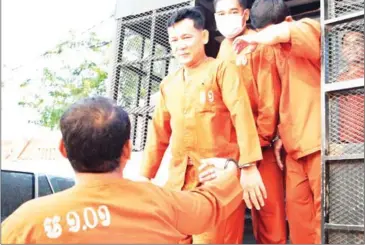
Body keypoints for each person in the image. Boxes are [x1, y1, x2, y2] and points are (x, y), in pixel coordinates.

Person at [1, 96, 246, 244]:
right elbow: (211, 204)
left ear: (63, 149)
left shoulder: (26, 224)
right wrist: (231, 168)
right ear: (127, 150)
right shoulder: (160, 202)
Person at [139, 7, 266, 244]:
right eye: (174, 40)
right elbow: (158, 134)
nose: (180, 45)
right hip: (178, 184)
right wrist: (145, 177)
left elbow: (242, 114)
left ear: (204, 37)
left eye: (187, 37)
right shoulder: (168, 84)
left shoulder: (221, 69)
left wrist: (248, 167)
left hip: (216, 182)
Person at [233, 0, 321, 244]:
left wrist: (260, 37)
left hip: (319, 145)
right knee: (299, 222)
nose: (267, 41)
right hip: (294, 151)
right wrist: (280, 135)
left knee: (324, 220)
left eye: (270, 34)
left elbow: (292, 31)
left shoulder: (309, 31)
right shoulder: (268, 52)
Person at [214, 0, 286, 244]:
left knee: (270, 217)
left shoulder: (259, 43)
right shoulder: (223, 49)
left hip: (260, 147)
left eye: (233, 12)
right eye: (221, 14)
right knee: (227, 218)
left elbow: (269, 100)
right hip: (230, 151)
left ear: (245, 14)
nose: (227, 18)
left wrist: (255, 148)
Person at [337, 31, 364, 144]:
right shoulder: (340, 78)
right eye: (347, 44)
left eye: (357, 43)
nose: (351, 48)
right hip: (344, 141)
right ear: (342, 50)